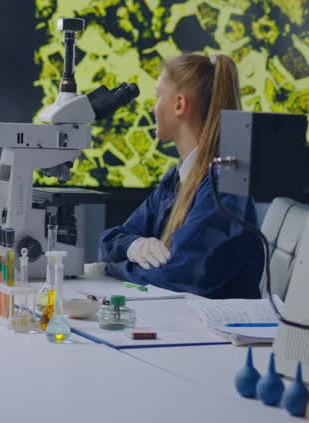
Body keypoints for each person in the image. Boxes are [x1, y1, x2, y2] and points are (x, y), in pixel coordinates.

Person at [98, 53, 263, 299]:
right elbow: (110, 239)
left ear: (179, 105)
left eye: (158, 96)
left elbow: (180, 276)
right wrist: (132, 246)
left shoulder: (223, 183)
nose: (153, 108)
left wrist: (113, 268)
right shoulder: (178, 177)